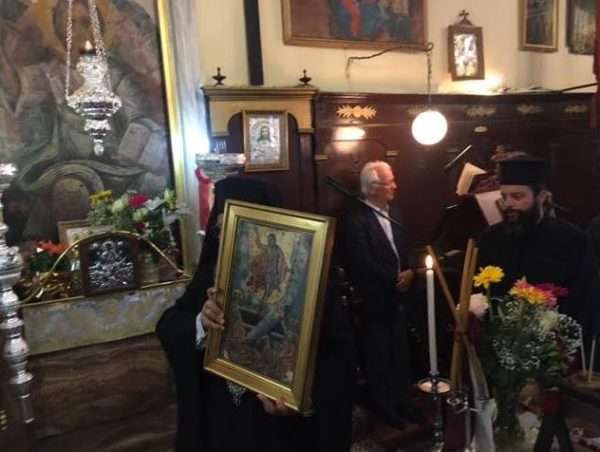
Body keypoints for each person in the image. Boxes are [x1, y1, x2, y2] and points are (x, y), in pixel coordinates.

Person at [156, 176, 355, 452]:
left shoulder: (313, 282)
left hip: (279, 431)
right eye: (220, 230)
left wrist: (304, 398)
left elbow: (340, 361)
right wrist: (201, 322)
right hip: (221, 423)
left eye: (239, 229)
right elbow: (169, 324)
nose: (226, 240)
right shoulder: (212, 275)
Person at [478, 155, 600, 335]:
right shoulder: (491, 238)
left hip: (558, 341)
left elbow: (585, 301)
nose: (508, 204)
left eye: (517, 196)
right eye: (504, 196)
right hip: (503, 340)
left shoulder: (572, 239)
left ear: (541, 196)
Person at [340, 160, 420, 429]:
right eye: (390, 182)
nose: (395, 186)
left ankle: (405, 404)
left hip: (400, 297)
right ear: (373, 187)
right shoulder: (356, 220)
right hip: (375, 300)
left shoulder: (394, 212)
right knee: (379, 358)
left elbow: (407, 244)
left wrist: (410, 270)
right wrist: (393, 280)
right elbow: (361, 261)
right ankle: (387, 408)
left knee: (401, 355)